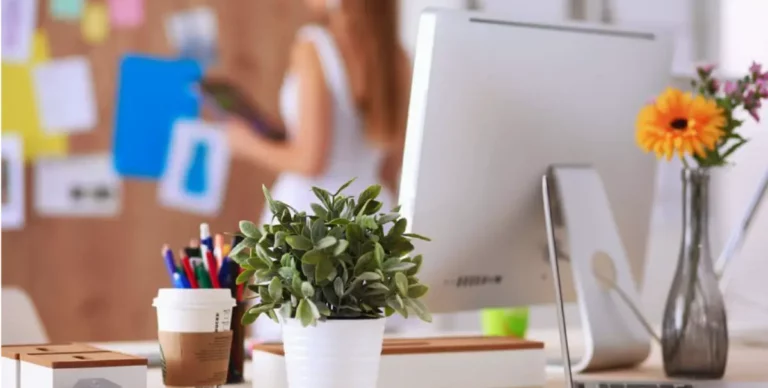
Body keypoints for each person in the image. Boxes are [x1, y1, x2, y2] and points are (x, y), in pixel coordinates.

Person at [226, 0, 412, 341]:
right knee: (367, 350)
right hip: (372, 219)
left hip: (310, 222)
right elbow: (390, 164)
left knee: (296, 348)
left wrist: (245, 142)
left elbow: (310, 160)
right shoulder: (396, 56)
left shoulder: (315, 46)